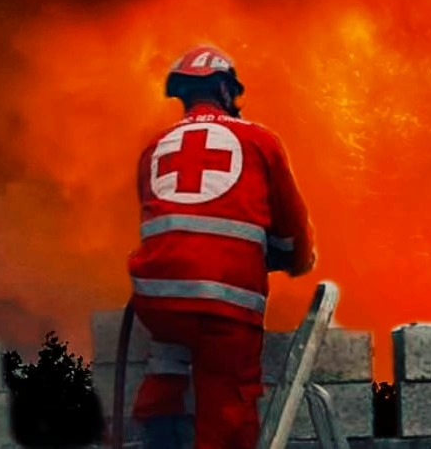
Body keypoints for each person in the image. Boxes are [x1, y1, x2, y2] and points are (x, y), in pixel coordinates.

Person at [127, 45, 316, 449]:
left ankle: (159, 424)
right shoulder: (259, 141)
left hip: (157, 301)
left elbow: (165, 223)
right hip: (223, 306)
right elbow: (292, 232)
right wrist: (296, 261)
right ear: (226, 92)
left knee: (168, 363)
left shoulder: (154, 148)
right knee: (227, 408)